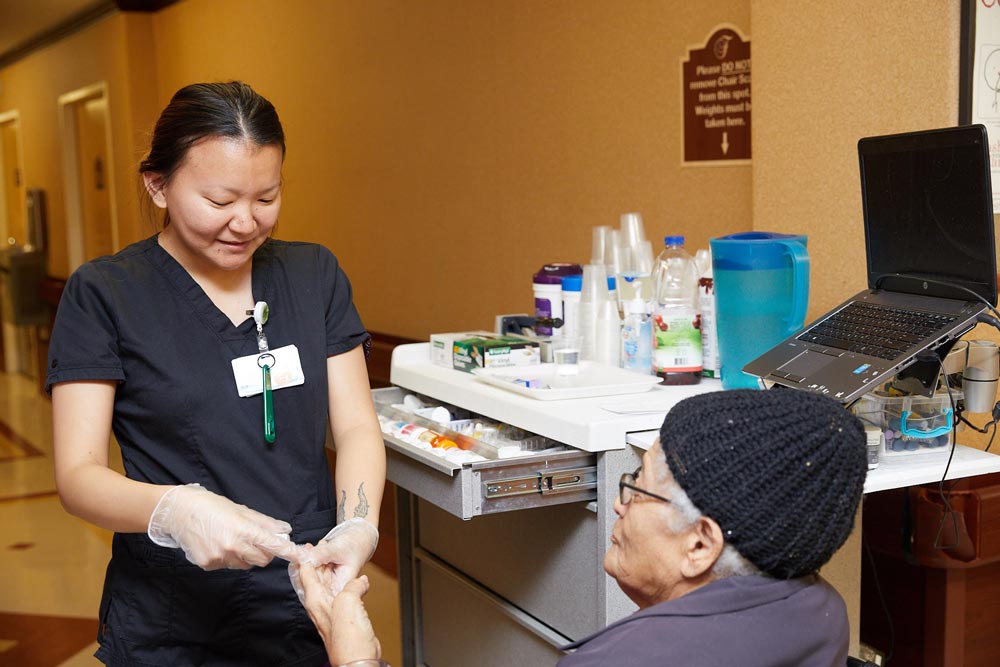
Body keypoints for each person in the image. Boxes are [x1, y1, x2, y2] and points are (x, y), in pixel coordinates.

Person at [47, 81, 386, 666]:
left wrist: (357, 527)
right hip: (173, 616)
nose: (245, 223)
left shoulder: (313, 274)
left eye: (266, 197)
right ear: (158, 185)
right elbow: (78, 475)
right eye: (219, 200)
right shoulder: (106, 293)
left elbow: (355, 427)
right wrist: (176, 511)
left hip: (305, 599)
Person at [301, 388, 868, 667]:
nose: (619, 507)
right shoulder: (822, 613)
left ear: (700, 544)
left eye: (637, 487)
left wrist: (356, 657)